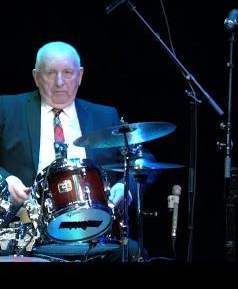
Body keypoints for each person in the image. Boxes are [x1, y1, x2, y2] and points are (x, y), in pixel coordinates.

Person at [0, 41, 142, 261]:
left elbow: (141, 161)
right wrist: (5, 179)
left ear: (80, 76)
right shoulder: (7, 109)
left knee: (133, 253)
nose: (59, 82)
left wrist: (126, 187)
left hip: (94, 231)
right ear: (36, 76)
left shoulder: (104, 116)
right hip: (24, 231)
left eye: (67, 72)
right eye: (50, 73)